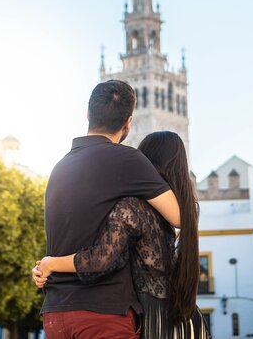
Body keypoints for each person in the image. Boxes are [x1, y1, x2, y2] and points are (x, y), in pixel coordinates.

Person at [39, 80, 182, 338]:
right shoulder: (127, 159)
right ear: (128, 123)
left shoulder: (59, 168)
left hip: (54, 314)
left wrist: (47, 265)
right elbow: (179, 216)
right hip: (102, 314)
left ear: (87, 115)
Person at [34, 131, 210, 339]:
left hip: (153, 322)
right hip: (187, 323)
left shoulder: (133, 208)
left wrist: (50, 264)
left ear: (145, 163)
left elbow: (100, 259)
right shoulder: (178, 213)